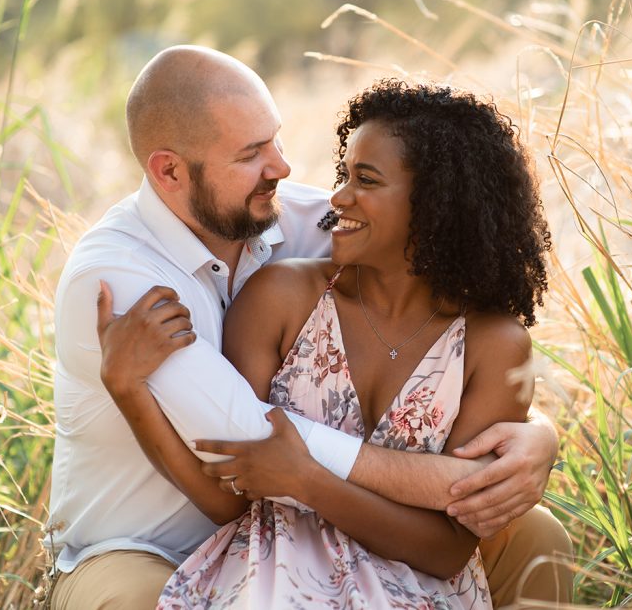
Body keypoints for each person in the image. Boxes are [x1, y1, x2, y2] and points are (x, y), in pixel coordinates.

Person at [46, 46, 571, 609]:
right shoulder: (121, 277)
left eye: (275, 140)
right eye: (251, 153)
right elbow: (251, 445)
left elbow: (425, 239)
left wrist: (536, 434)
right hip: (151, 546)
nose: (285, 169)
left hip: (357, 534)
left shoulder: (302, 217)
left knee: (540, 536)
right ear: (169, 170)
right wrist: (456, 480)